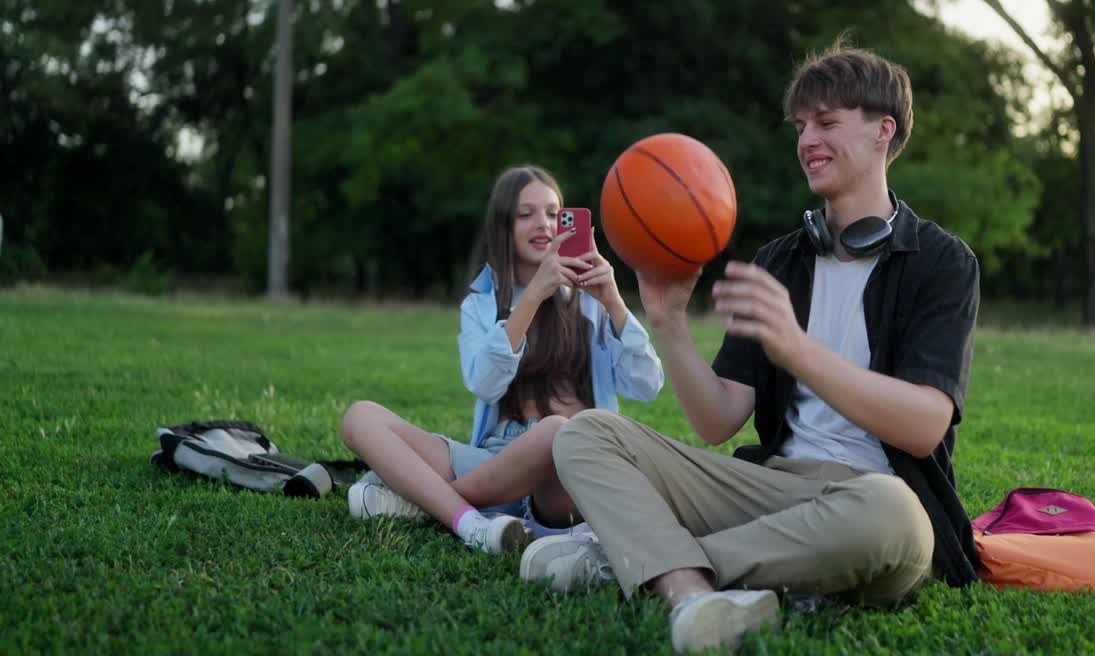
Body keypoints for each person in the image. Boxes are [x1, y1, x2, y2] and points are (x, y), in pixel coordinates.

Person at [519, 44, 982, 652]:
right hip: (768, 492)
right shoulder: (781, 261)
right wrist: (668, 321)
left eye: (827, 122)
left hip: (874, 500)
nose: (807, 139)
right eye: (801, 126)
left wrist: (797, 350)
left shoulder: (943, 263)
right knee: (584, 433)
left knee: (892, 515)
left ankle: (628, 561)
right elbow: (718, 420)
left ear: (882, 132)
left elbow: (924, 426)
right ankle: (691, 591)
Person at [341, 165, 664, 555]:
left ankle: (425, 502)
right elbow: (484, 383)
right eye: (525, 214)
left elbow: (647, 384)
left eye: (552, 213)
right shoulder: (481, 304)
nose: (542, 224)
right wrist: (530, 299)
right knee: (360, 417)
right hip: (495, 460)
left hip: (568, 466)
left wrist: (613, 300)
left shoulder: (593, 303)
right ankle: (471, 522)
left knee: (558, 429)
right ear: (504, 225)